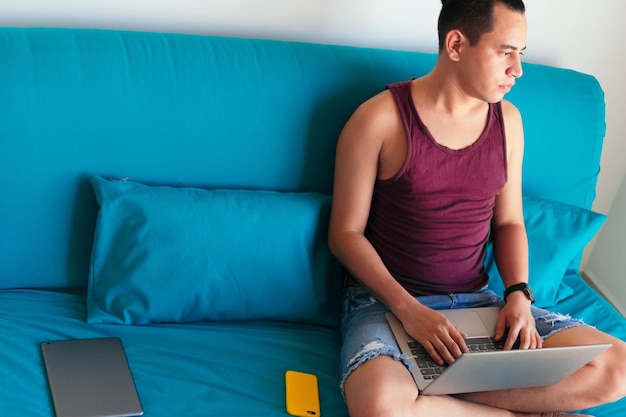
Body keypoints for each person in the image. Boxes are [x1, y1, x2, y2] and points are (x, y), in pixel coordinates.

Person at [327, 0, 626, 416]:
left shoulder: (510, 122)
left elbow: (508, 221)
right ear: (455, 44)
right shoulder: (378, 120)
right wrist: (411, 311)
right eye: (505, 51)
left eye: (521, 52)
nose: (517, 69)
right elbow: (345, 234)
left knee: (617, 368)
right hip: (387, 304)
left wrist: (519, 295)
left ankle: (440, 398)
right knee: (379, 406)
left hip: (477, 303)